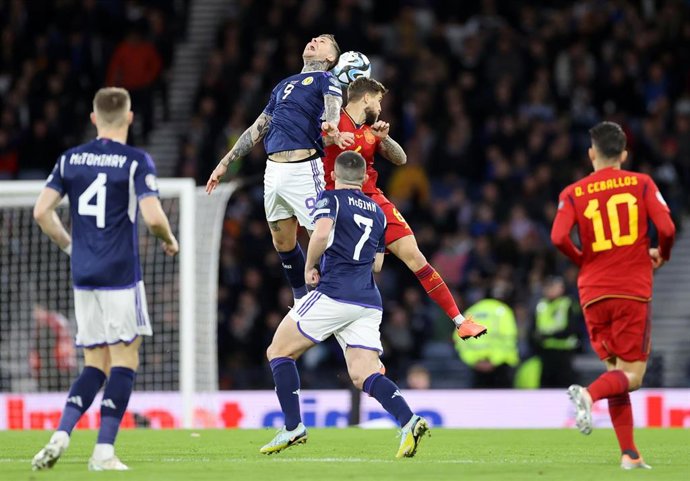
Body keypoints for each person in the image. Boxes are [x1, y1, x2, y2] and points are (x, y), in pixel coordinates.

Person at [31, 87, 179, 471]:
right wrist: (169, 239)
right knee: (125, 361)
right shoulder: (135, 162)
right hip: (119, 275)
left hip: (84, 274)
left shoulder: (70, 159)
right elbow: (153, 217)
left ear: (94, 118)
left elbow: (42, 212)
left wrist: (69, 247)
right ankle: (103, 452)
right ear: (129, 117)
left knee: (94, 364)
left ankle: (61, 434)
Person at [260, 151, 429, 458]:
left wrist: (310, 265)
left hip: (334, 293)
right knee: (364, 374)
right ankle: (408, 419)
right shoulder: (378, 212)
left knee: (279, 350)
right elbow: (377, 264)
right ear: (364, 179)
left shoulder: (330, 198)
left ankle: (293, 426)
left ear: (334, 176)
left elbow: (321, 233)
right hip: (367, 301)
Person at [321, 77, 486, 340]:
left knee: (415, 256)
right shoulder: (332, 120)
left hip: (374, 199)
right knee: (365, 268)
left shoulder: (370, 127)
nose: (380, 106)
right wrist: (332, 137)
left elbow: (401, 158)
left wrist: (383, 138)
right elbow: (320, 143)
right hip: (339, 201)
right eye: (378, 100)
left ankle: (459, 320)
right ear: (367, 97)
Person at [551, 121, 675, 470]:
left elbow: (559, 237)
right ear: (624, 153)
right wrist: (661, 254)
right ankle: (588, 395)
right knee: (632, 377)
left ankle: (630, 454)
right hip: (631, 288)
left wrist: (584, 260)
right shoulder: (642, 183)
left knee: (616, 375)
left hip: (592, 292)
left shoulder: (573, 192)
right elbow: (667, 228)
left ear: (592, 153)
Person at [206, 35, 354, 304]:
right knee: (283, 243)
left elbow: (333, 106)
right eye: (313, 38)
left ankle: (340, 300)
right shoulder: (283, 85)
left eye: (321, 42)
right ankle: (301, 301)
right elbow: (257, 128)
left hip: (304, 171)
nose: (313, 41)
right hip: (273, 172)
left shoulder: (326, 79)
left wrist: (331, 125)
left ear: (330, 58)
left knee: (324, 240)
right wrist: (224, 163)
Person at [453, 283, 519, 388]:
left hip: (476, 369)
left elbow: (459, 340)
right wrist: (494, 361)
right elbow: (509, 340)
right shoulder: (504, 311)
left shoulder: (471, 311)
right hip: (501, 368)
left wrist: (473, 361)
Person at [529, 276, 581, 387]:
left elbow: (572, 328)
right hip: (545, 353)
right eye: (548, 287)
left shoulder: (568, 303)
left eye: (553, 286)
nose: (550, 290)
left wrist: (547, 336)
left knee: (564, 386)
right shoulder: (540, 305)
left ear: (561, 288)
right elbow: (533, 329)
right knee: (545, 387)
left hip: (564, 353)